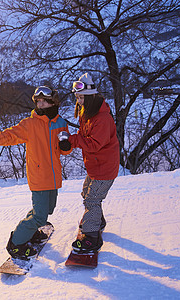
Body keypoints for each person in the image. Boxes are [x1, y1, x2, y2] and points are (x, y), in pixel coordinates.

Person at [0, 86, 72, 260]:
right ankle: (16, 243)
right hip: (39, 175)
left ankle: (31, 232)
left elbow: (64, 148)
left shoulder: (61, 123)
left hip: (54, 175)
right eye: (38, 101)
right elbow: (9, 135)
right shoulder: (30, 124)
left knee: (47, 209)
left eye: (44, 101)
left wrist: (66, 147)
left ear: (52, 102)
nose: (40, 104)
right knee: (40, 216)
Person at [59, 73, 120, 252]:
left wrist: (73, 140)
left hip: (105, 168)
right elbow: (85, 138)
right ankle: (97, 221)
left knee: (92, 200)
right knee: (87, 193)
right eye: (77, 97)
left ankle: (91, 239)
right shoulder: (88, 113)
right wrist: (70, 139)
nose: (78, 101)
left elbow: (93, 144)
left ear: (91, 95)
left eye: (81, 97)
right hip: (96, 165)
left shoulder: (102, 119)